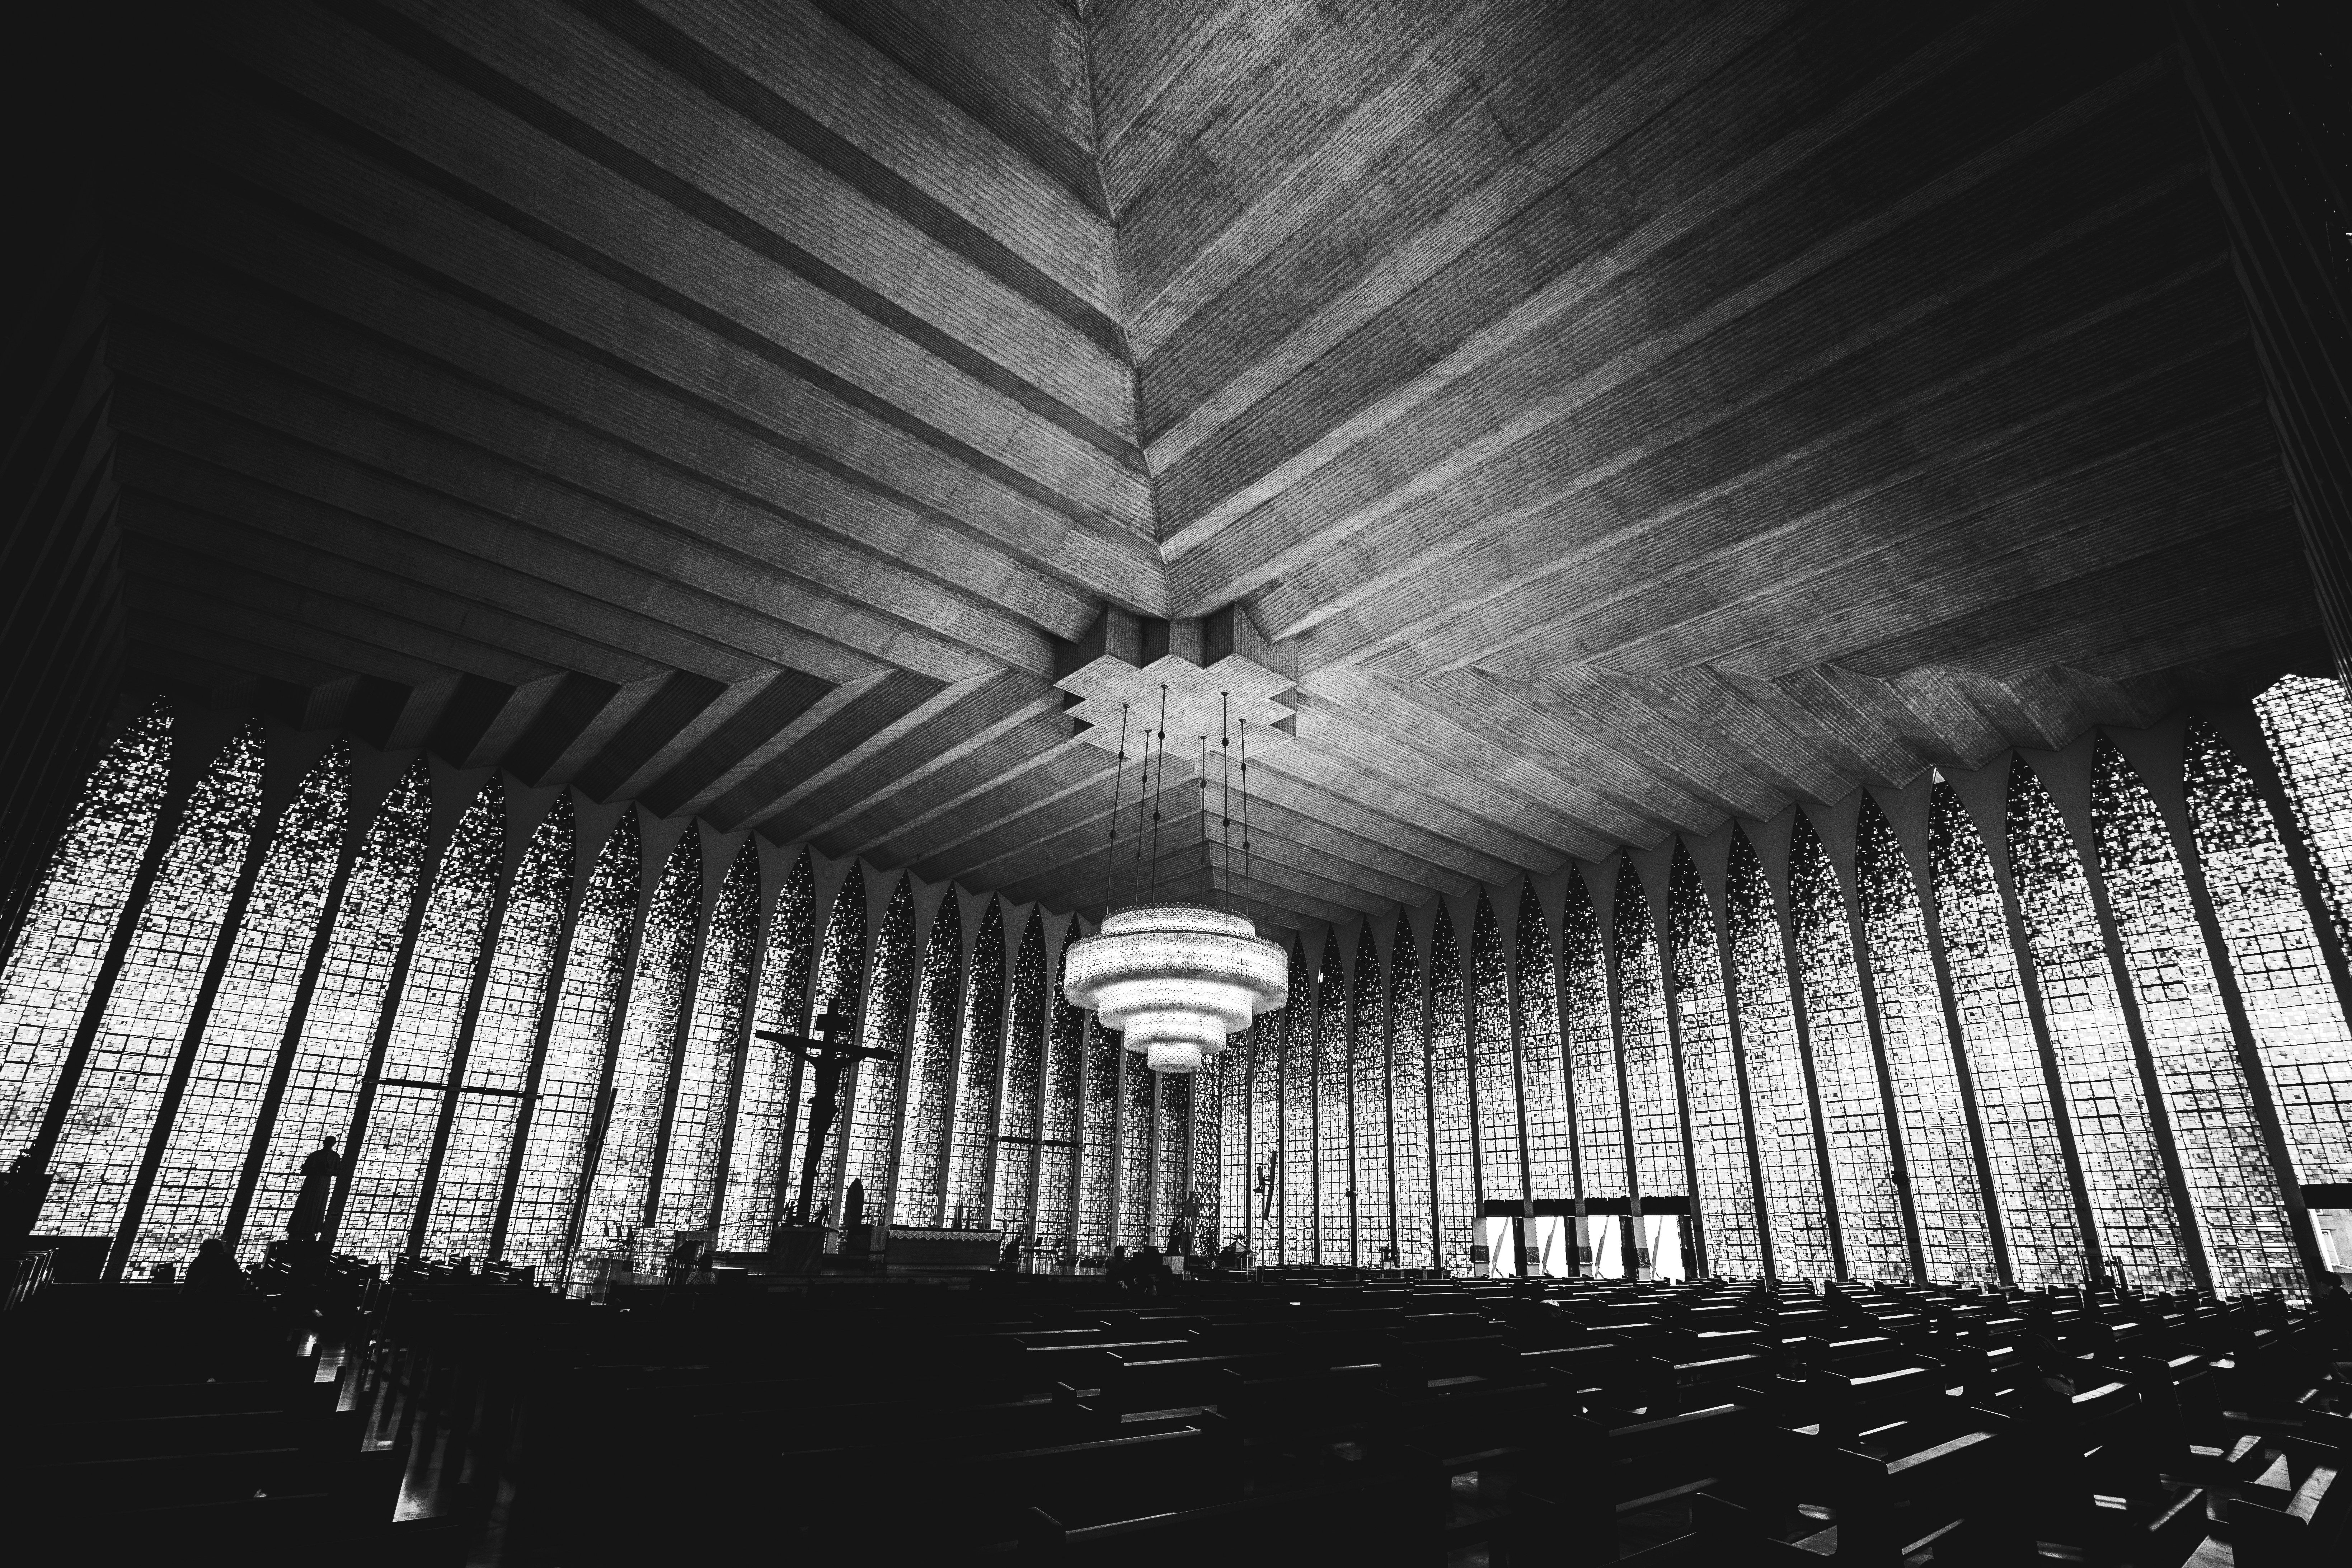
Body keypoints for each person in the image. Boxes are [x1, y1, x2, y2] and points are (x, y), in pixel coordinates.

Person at [286, 1136, 340, 1245]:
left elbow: (338, 1172)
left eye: (332, 1143)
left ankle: (312, 1230)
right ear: (324, 1143)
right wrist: (316, 1169)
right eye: (328, 1143)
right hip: (311, 1183)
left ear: (334, 1144)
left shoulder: (335, 1156)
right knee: (305, 1204)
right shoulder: (316, 1155)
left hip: (323, 1185)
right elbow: (304, 1170)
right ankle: (297, 1229)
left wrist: (327, 1170)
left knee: (318, 1206)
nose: (329, 1145)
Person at [183, 1237, 247, 1296]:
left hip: (206, 1295)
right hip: (231, 1295)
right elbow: (241, 1277)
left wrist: (182, 1296)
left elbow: (190, 1280)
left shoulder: (203, 1259)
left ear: (205, 1250)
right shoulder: (229, 1259)